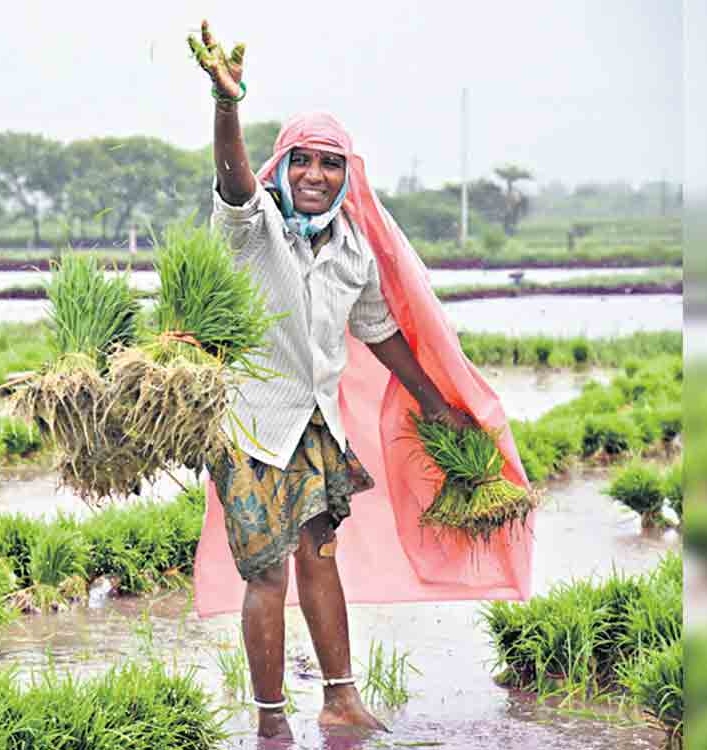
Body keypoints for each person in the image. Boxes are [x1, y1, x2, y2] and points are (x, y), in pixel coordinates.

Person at [187, 20, 487, 742]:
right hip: (253, 426)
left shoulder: (353, 247)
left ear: (346, 174)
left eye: (328, 163)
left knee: (321, 552)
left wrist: (434, 401)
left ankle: (341, 701)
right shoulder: (253, 227)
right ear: (282, 168)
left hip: (316, 424)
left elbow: (379, 330)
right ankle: (268, 722)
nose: (314, 176)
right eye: (301, 163)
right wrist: (227, 105)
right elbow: (232, 179)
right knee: (267, 574)